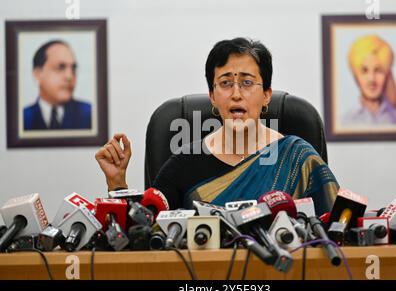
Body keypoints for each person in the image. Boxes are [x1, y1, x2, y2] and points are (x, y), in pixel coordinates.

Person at [95, 37, 339, 215]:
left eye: (246, 82)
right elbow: (146, 229)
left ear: (266, 95)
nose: (235, 94)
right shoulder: (185, 162)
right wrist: (117, 184)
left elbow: (337, 232)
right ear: (212, 96)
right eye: (225, 83)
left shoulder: (298, 157)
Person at [24, 40, 92, 130]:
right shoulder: (24, 118)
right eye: (60, 67)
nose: (69, 76)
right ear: (37, 74)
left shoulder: (90, 114)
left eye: (73, 68)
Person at [343, 35, 396, 125]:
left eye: (378, 70)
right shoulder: (344, 122)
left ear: (387, 74)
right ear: (356, 76)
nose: (371, 79)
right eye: (364, 71)